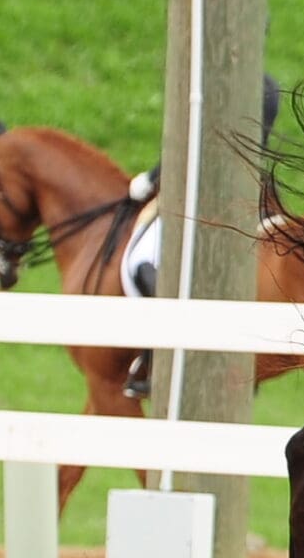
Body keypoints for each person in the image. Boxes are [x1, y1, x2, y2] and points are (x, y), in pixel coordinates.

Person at [119, 73, 282, 398]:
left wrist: (149, 179)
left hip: (207, 189)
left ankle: (158, 358)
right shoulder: (269, 85)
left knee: (144, 258)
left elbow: (191, 141)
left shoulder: (212, 79)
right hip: (257, 190)